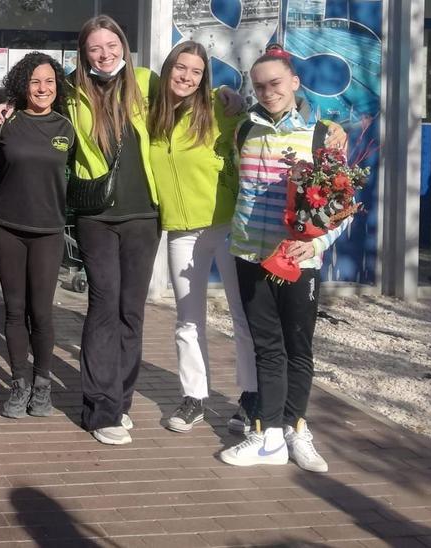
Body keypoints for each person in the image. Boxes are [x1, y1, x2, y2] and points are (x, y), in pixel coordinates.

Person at [219, 45, 349, 473]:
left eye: (275, 83)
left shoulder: (322, 134)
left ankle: (297, 430)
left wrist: (316, 245)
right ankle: (268, 434)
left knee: (298, 349)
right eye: (259, 86)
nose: (268, 91)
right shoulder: (244, 130)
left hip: (297, 260)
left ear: (295, 82)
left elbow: (343, 205)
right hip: (250, 254)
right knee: (266, 348)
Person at [65, 16, 162, 446]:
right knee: (103, 306)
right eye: (94, 49)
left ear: (123, 44)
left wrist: (230, 100)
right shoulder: (71, 89)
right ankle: (99, 408)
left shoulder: (145, 81)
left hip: (144, 215)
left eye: (110, 45)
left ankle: (121, 401)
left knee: (131, 311)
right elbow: (31, 98)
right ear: (83, 55)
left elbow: (194, 100)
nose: (104, 54)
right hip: (96, 216)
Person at [149, 41, 254, 434]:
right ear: (168, 68)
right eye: (181, 68)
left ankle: (250, 397)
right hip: (182, 231)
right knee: (187, 321)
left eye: (195, 71)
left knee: (242, 317)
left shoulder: (220, 108)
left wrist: (324, 126)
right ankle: (194, 397)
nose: (186, 77)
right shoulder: (152, 114)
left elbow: (266, 118)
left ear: (204, 77)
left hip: (228, 228)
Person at [0, 52, 74, 420]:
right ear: (23, 85)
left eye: (49, 82)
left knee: (41, 312)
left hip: (48, 231)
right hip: (7, 227)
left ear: (58, 86)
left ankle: (42, 384)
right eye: (35, 81)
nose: (42, 88)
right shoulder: (6, 122)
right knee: (14, 311)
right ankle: (19, 382)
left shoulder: (67, 128)